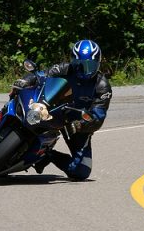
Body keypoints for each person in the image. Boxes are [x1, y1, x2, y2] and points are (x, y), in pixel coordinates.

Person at [14, 40, 112, 181]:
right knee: (20, 95)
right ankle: (6, 118)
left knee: (81, 171)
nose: (84, 70)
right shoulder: (64, 68)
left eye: (89, 66)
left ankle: (47, 154)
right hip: (53, 110)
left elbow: (98, 117)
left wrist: (79, 125)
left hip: (77, 123)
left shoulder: (102, 86)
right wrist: (26, 80)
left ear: (98, 63)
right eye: (79, 65)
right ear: (72, 61)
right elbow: (41, 75)